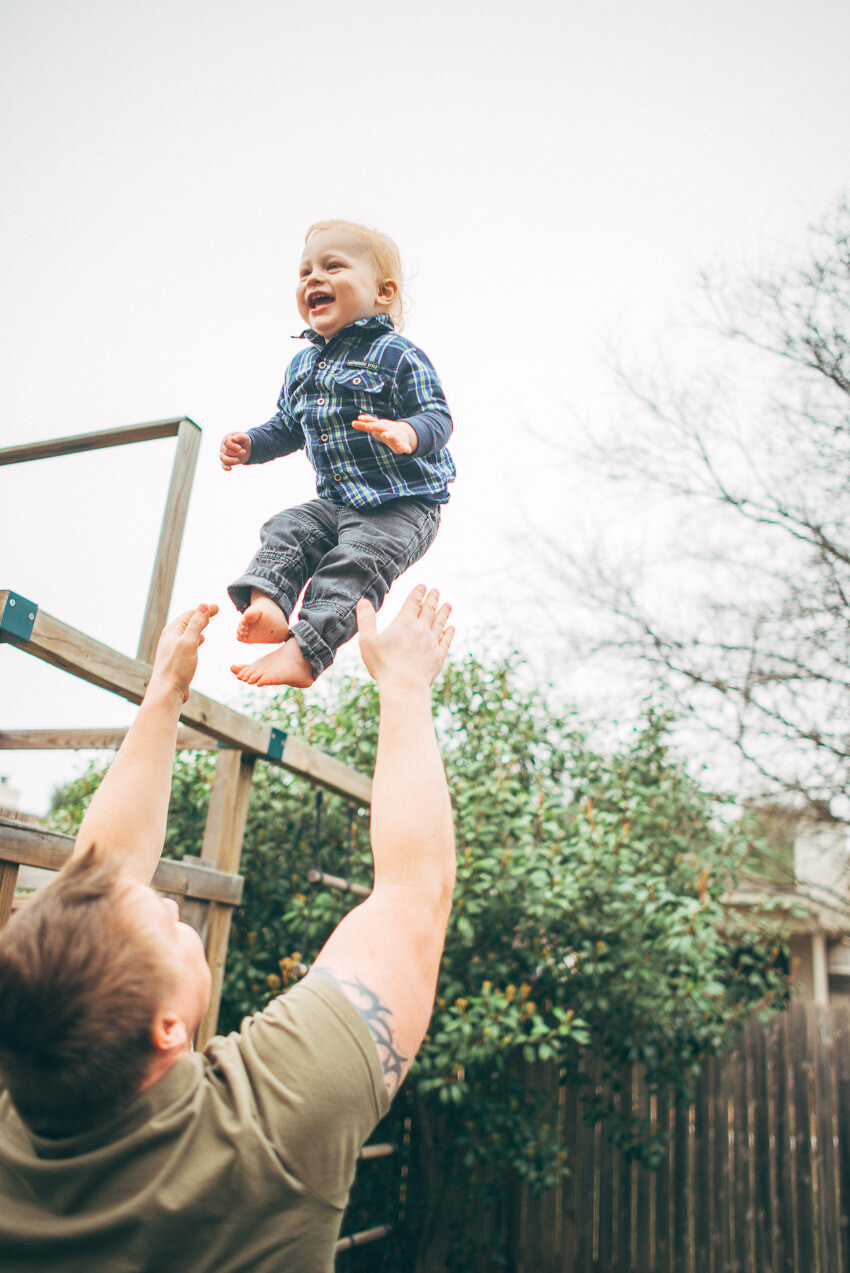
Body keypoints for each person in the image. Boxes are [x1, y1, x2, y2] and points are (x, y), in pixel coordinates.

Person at [0, 584, 456, 1273]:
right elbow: (414, 894)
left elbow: (98, 879)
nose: (169, 905)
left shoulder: (20, 1092)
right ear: (166, 1027)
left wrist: (162, 698)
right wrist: (405, 687)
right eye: (160, 923)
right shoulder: (264, 1133)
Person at [221, 218, 456, 689]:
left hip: (402, 504)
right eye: (305, 272)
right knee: (288, 527)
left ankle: (304, 652)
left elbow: (437, 415)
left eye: (332, 266)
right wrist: (252, 444)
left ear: (383, 292)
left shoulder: (397, 354)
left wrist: (408, 432)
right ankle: (269, 603)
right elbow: (288, 425)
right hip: (337, 502)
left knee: (356, 562)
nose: (313, 279)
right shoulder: (302, 366)